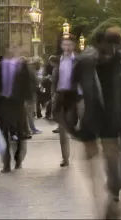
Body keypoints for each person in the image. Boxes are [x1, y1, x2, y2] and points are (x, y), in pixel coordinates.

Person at [74, 27, 121, 216]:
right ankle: (114, 193)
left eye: (116, 46)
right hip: (101, 122)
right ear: (100, 45)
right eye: (107, 46)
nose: (111, 51)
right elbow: (72, 91)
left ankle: (117, 189)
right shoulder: (87, 63)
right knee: (111, 162)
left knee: (119, 162)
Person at [0, 46, 35, 173]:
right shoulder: (0, 66)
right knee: (4, 133)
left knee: (19, 131)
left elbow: (28, 83)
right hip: (3, 102)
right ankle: (6, 163)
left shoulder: (22, 67)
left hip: (17, 103)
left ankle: (18, 158)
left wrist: (28, 100)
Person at [51, 36, 80, 167]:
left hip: (75, 97)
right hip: (61, 96)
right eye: (64, 45)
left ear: (73, 46)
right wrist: (53, 95)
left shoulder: (78, 61)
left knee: (73, 127)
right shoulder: (58, 62)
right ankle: (65, 158)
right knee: (62, 130)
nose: (67, 47)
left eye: (69, 44)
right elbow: (54, 80)